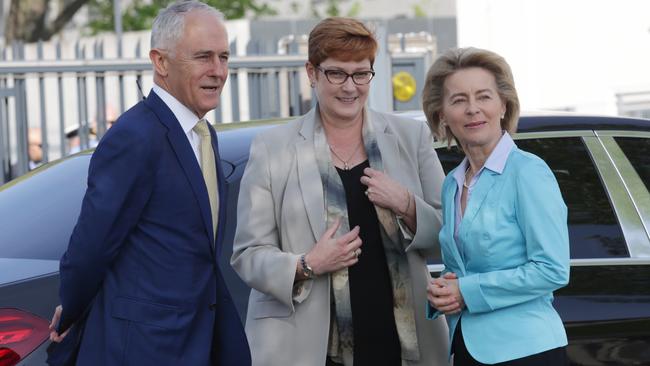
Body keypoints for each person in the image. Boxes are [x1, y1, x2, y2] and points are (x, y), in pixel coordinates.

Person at [231, 17, 449, 366]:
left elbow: (450, 234)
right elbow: (248, 254)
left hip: (400, 343)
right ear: (312, 73)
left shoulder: (412, 138)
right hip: (308, 349)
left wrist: (407, 204)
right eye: (336, 73)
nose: (350, 87)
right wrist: (306, 264)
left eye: (361, 74)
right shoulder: (273, 148)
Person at [48, 1, 251, 365]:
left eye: (224, 57)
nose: (218, 71)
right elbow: (91, 246)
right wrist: (72, 309)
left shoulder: (203, 135)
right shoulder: (136, 136)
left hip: (195, 342)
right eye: (203, 57)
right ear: (160, 62)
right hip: (144, 348)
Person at [423, 47, 570, 365]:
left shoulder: (528, 172)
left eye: (484, 97)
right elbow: (461, 269)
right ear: (442, 114)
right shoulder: (452, 183)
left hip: (527, 351)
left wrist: (466, 291)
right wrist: (445, 288)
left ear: (503, 105)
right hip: (468, 349)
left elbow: (552, 270)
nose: (473, 109)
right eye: (459, 100)